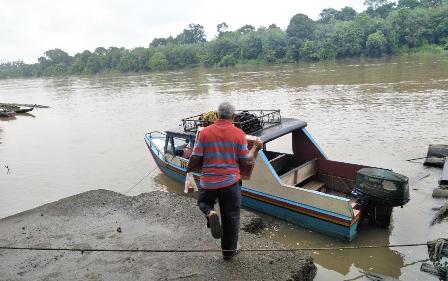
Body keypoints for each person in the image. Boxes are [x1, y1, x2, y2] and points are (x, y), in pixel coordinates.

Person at [187, 102, 262, 261]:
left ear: (217, 115)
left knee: (204, 203)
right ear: (234, 117)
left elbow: (195, 157)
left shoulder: (205, 133)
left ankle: (210, 213)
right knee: (231, 217)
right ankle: (228, 252)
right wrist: (256, 147)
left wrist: (189, 170)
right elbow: (246, 161)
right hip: (230, 183)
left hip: (209, 182)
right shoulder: (239, 134)